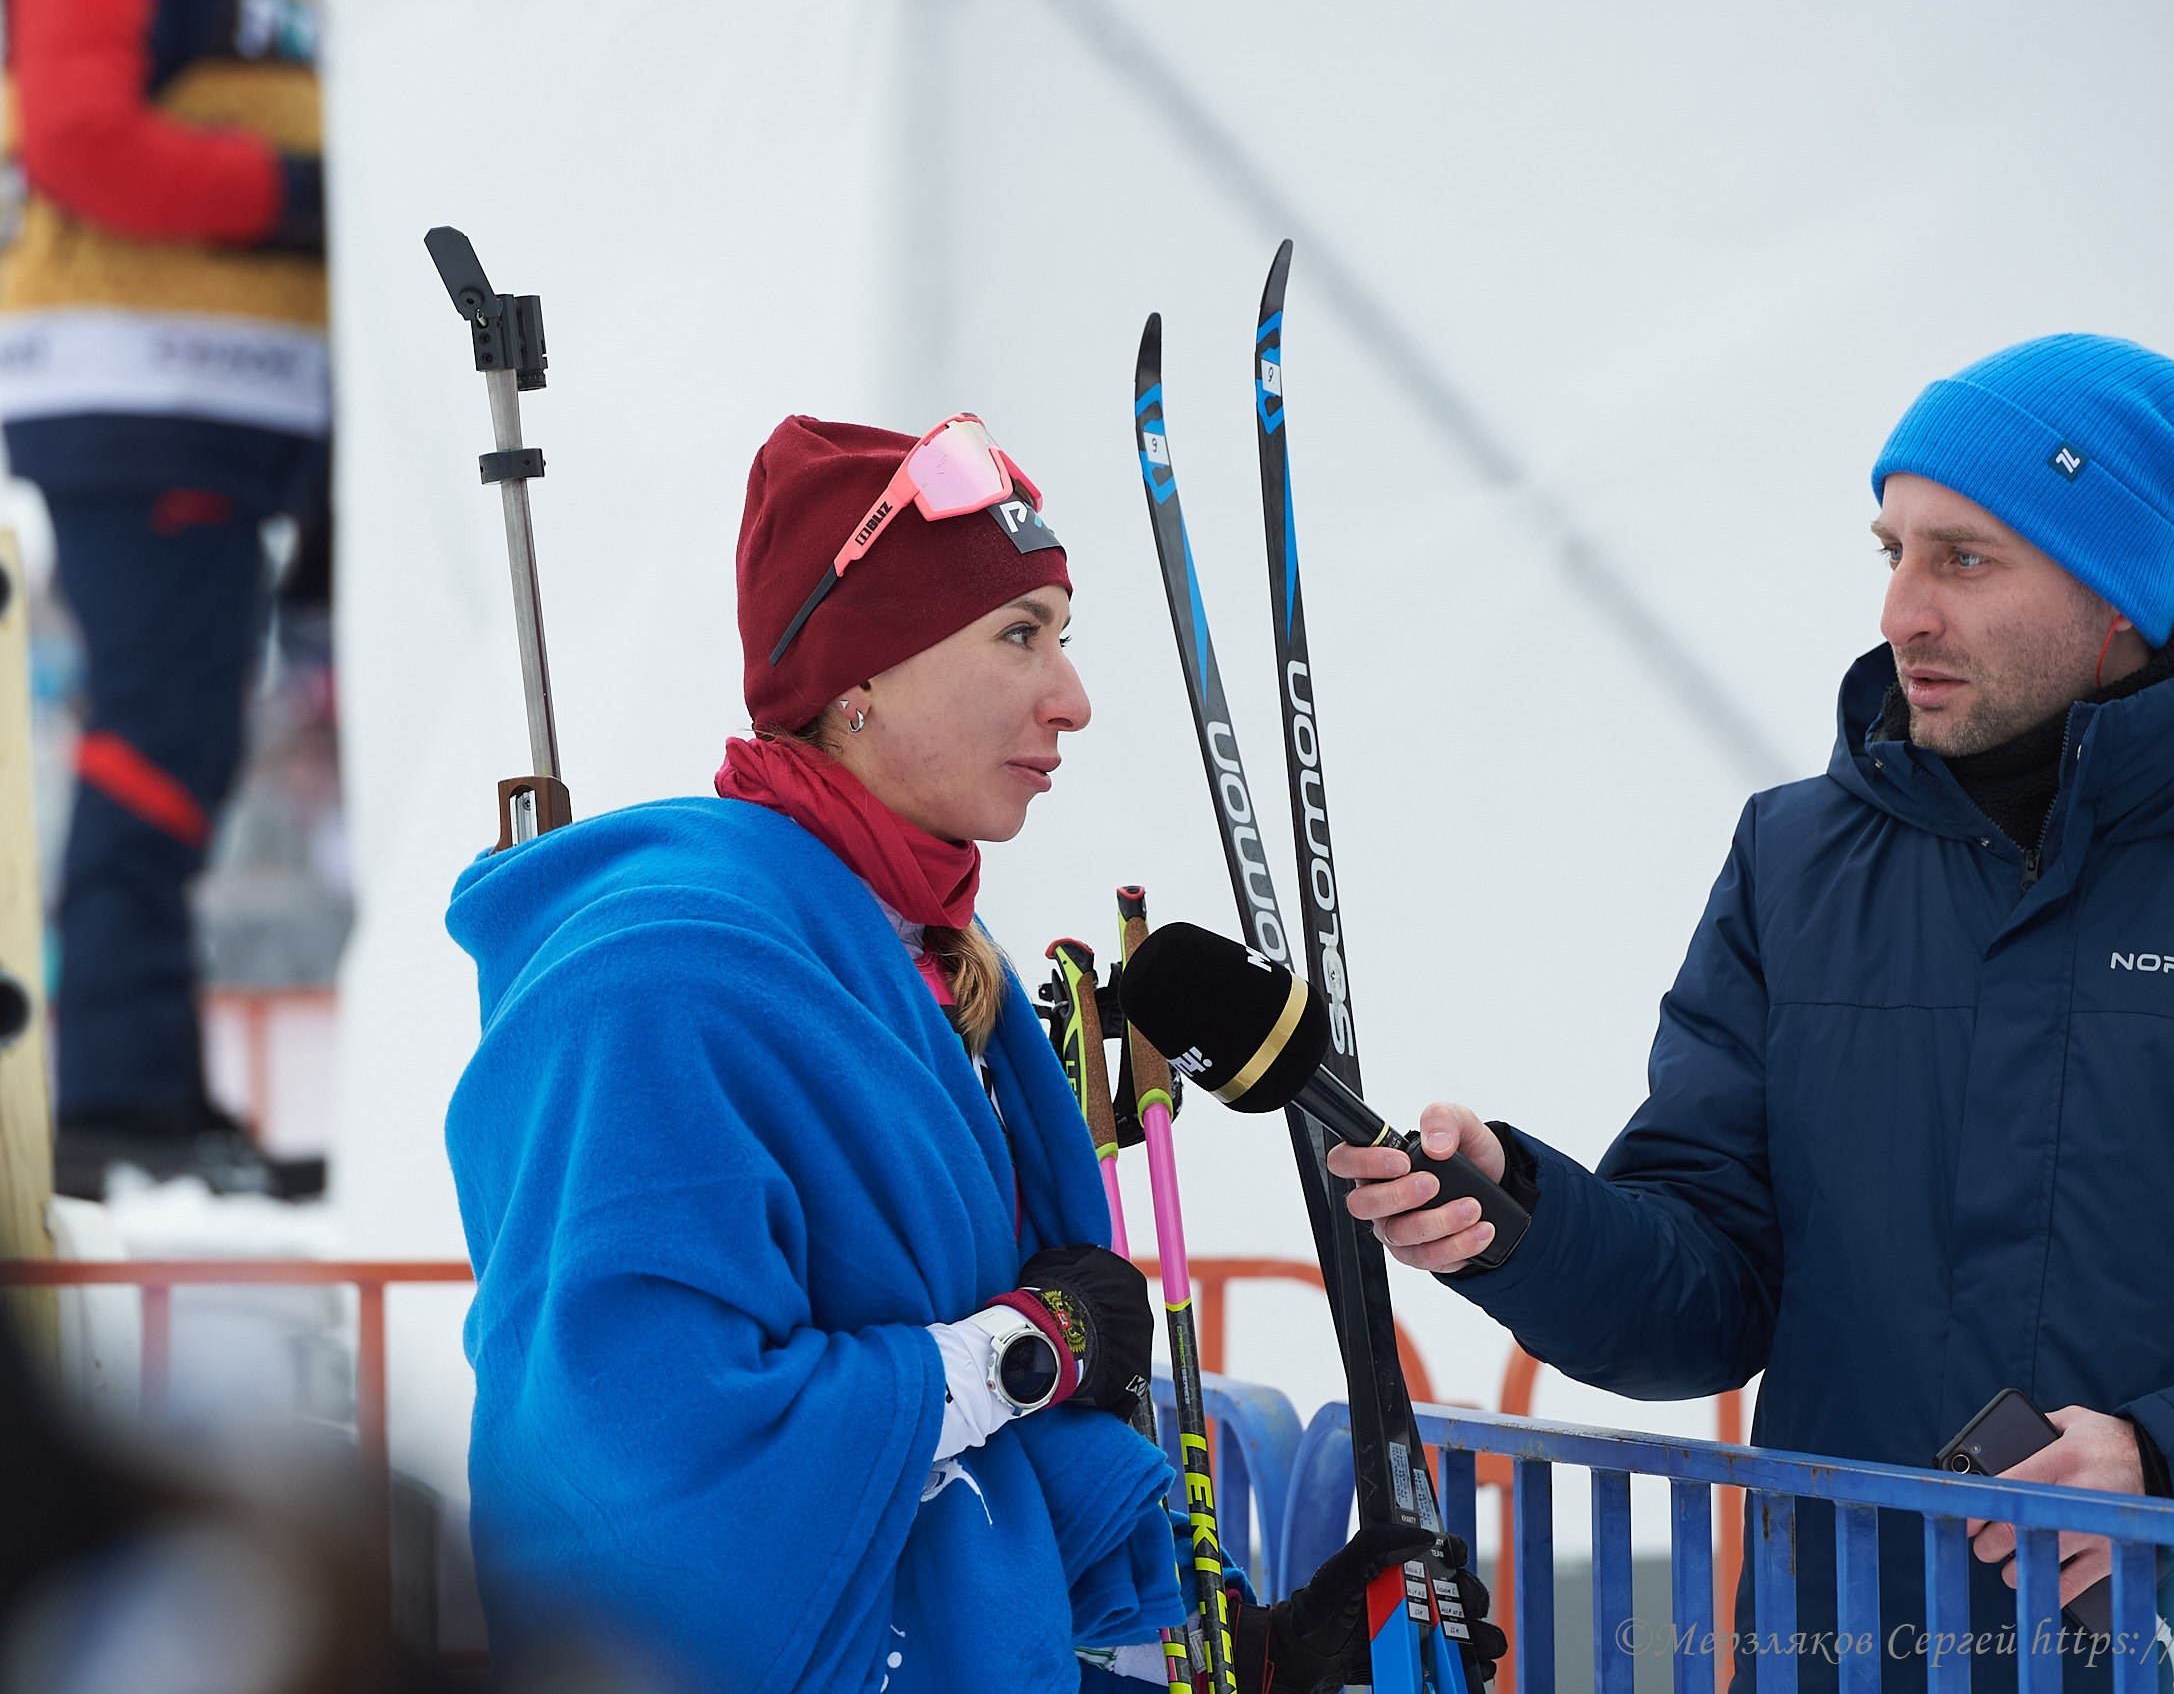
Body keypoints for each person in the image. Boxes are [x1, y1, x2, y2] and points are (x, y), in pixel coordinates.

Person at [1331, 335, 2174, 1687]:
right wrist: (1525, 1220)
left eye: (1964, 558)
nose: (1902, 610)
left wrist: (2168, 1446)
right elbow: (1707, 1286)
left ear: (2120, 587)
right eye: (1892, 550)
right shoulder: (1794, 860)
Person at [444, 416, 1504, 1694]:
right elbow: (645, 1458)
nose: (1073, 698)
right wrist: (1025, 1346)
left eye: (1062, 635)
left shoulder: (922, 946)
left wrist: (1267, 1654)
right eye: (1018, 636)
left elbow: (942, 1520)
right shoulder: (659, 979)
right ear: (857, 680)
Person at [0, 0, 331, 1198]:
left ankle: (145, 1084)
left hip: (201, 400)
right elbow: (80, 141)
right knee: (160, 727)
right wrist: (297, 199)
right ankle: (118, 1092)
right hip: (146, 392)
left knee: (177, 729)